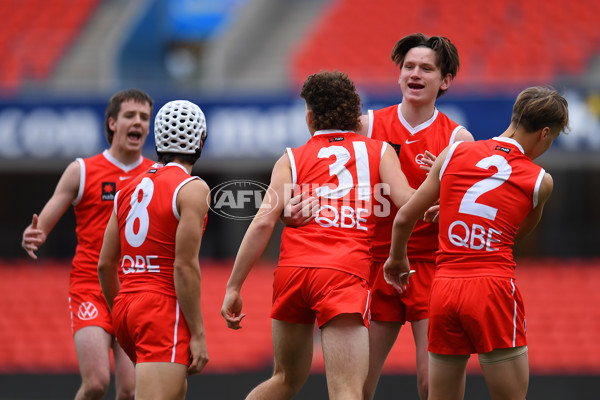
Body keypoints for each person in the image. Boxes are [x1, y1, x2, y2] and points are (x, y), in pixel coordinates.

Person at [284, 33, 474, 399]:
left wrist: (448, 189)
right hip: (371, 265)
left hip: (430, 266)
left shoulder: (457, 139)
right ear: (399, 74)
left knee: (431, 383)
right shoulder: (365, 125)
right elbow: (323, 166)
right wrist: (296, 205)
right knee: (357, 386)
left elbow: (466, 211)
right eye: (409, 66)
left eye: (426, 68)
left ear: (445, 80)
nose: (415, 73)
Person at [221, 71, 414, 400]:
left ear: (310, 117)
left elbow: (262, 223)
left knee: (284, 380)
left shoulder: (290, 159)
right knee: (347, 391)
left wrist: (233, 286)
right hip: (342, 274)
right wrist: (441, 181)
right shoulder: (379, 151)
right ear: (355, 116)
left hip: (293, 274)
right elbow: (407, 203)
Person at [384, 86, 569, 400]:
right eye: (551, 140)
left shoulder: (455, 152)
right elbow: (513, 234)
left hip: (443, 289)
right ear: (545, 132)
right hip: (491, 289)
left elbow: (404, 218)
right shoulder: (540, 180)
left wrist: (397, 259)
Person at [21, 89, 154, 400]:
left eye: (144, 118)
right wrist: (33, 232)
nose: (138, 122)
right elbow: (45, 218)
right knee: (96, 384)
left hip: (131, 290)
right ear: (112, 123)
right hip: (90, 286)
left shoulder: (154, 175)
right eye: (130, 116)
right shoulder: (82, 170)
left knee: (131, 390)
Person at [98, 100, 210, 400]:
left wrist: (119, 309)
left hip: (125, 308)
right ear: (200, 141)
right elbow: (184, 266)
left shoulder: (127, 190)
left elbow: (105, 265)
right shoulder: (192, 188)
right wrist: (198, 335)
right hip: (160, 308)